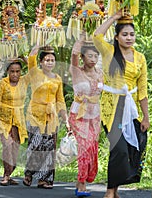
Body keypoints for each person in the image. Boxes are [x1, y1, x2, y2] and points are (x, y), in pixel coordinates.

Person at [93, 10, 150, 198]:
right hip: (112, 108)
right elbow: (96, 36)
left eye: (132, 34)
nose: (129, 37)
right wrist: (113, 18)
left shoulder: (140, 57)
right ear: (117, 37)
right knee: (118, 148)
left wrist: (145, 117)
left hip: (131, 109)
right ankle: (110, 192)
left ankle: (115, 190)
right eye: (124, 34)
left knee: (129, 150)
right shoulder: (109, 52)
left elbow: (142, 89)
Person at [23, 46, 68, 189]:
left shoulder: (58, 79)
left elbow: (60, 100)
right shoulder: (35, 73)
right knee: (35, 145)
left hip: (51, 117)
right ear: (41, 62)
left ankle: (45, 179)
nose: (50, 62)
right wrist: (39, 43)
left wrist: (65, 119)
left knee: (49, 148)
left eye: (52, 60)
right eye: (46, 60)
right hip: (35, 115)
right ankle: (29, 173)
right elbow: (31, 58)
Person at [68, 37, 103, 197]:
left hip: (95, 116)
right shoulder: (77, 71)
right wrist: (81, 39)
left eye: (95, 56)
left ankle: (80, 181)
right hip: (78, 115)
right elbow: (74, 54)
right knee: (85, 147)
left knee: (92, 149)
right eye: (89, 56)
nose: (93, 60)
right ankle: (81, 185)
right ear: (82, 57)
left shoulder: (100, 73)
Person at [0, 59, 29, 186]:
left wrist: (24, 59)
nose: (15, 74)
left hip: (18, 120)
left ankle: (9, 173)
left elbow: (33, 71)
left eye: (17, 71)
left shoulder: (24, 81)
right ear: (7, 72)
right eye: (12, 72)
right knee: (7, 146)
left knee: (15, 150)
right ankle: (5, 175)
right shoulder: (2, 83)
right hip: (3, 120)